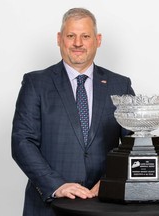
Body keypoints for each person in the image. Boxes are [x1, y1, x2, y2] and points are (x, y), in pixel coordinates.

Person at [11, 7, 135, 216]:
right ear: (60, 39)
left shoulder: (119, 85)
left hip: (104, 204)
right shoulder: (36, 83)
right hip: (48, 206)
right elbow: (22, 142)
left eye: (85, 36)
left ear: (98, 39)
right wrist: (56, 185)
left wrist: (112, 181)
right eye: (71, 36)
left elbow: (135, 142)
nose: (78, 43)